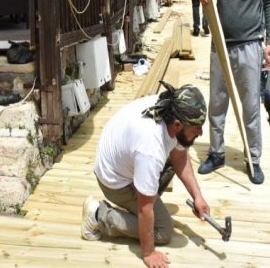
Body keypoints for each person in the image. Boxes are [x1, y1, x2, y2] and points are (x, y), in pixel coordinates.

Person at [81, 82, 211, 268]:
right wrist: (149, 253)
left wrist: (197, 197)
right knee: (163, 230)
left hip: (121, 160)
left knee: (172, 160)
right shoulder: (151, 147)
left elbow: (180, 156)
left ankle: (146, 187)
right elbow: (145, 208)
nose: (200, 132)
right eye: (196, 128)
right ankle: (97, 215)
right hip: (114, 182)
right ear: (177, 125)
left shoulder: (168, 106)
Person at [194, 0, 270, 184]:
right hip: (220, 44)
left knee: (251, 106)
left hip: (251, 44)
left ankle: (253, 158)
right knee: (217, 104)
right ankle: (216, 153)